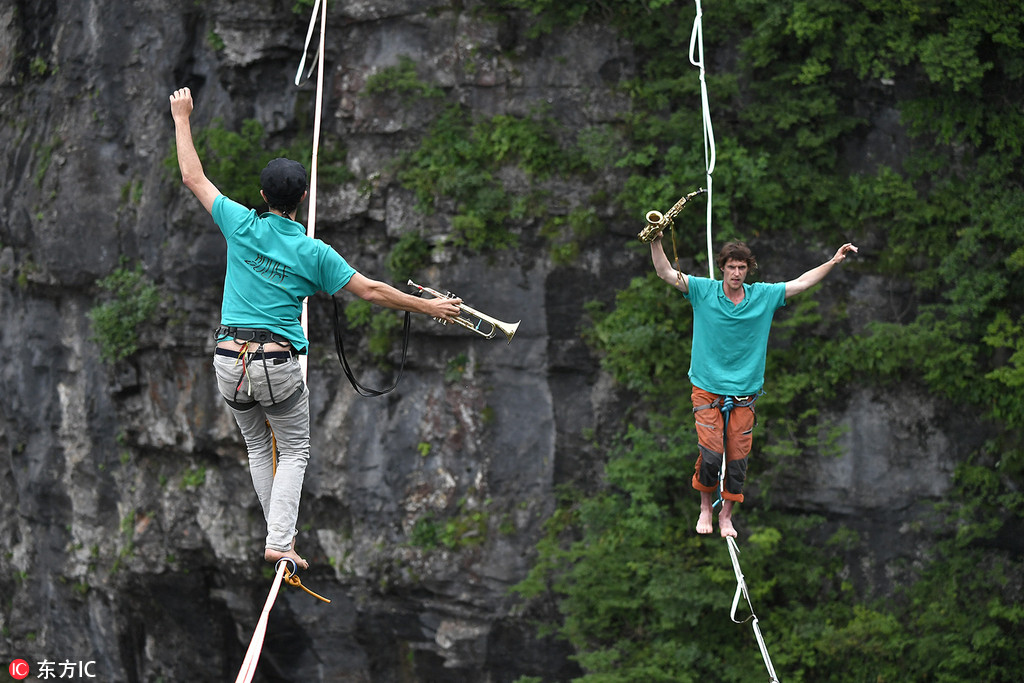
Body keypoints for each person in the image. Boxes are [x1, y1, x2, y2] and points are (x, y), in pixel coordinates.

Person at [169, 87, 461, 570]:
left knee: (258, 445)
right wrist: (428, 307)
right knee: (296, 447)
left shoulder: (239, 223)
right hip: (276, 364)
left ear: (262, 196)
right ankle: (279, 540)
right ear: (303, 198)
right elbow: (372, 291)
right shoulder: (314, 253)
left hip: (228, 360)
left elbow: (191, 175)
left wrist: (182, 117)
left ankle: (277, 536)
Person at [650, 236, 857, 538]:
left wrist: (833, 261)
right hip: (708, 388)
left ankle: (726, 516)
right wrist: (656, 240)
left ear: (748, 270)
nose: (736, 273)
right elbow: (666, 273)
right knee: (710, 455)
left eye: (742, 268)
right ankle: (705, 506)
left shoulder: (762, 296)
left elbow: (801, 283)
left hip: (744, 393)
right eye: (731, 267)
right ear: (722, 268)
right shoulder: (703, 291)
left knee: (736, 461)